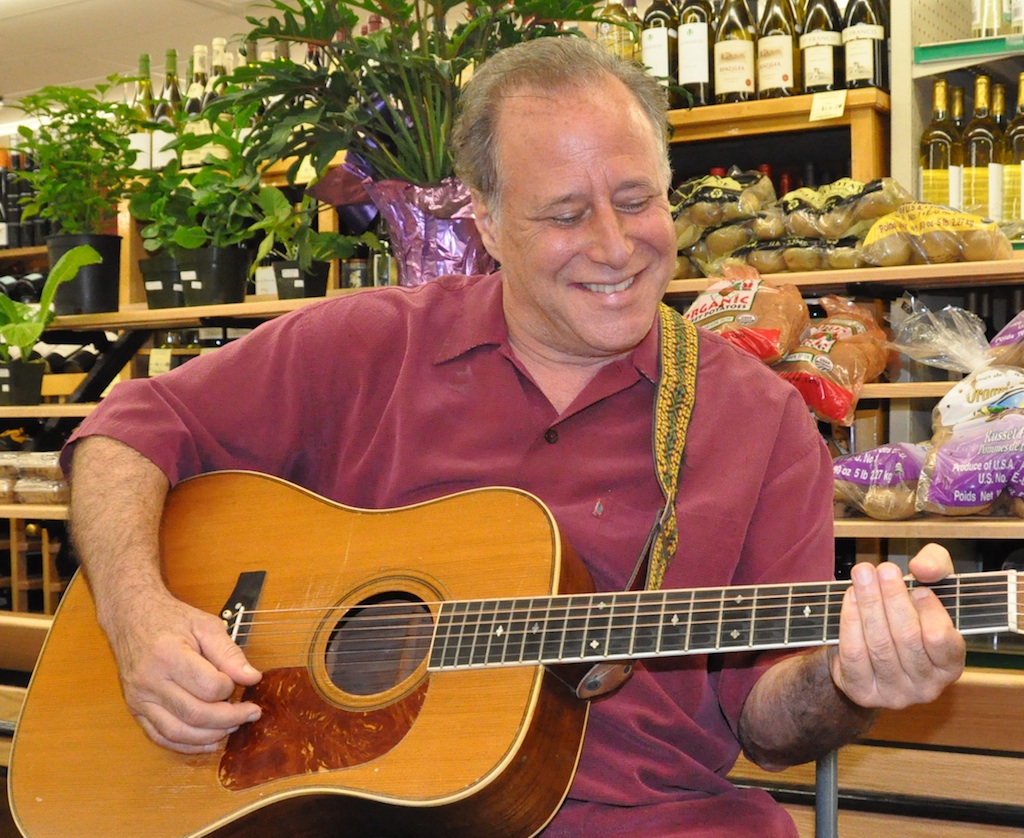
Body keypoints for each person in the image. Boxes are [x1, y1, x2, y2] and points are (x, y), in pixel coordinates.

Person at [63, 36, 965, 836]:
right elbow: (128, 429)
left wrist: (853, 681)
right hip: (341, 806)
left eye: (636, 199)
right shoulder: (365, 343)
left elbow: (766, 722)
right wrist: (138, 615)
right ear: (487, 223)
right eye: (566, 215)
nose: (615, 246)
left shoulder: (759, 421)